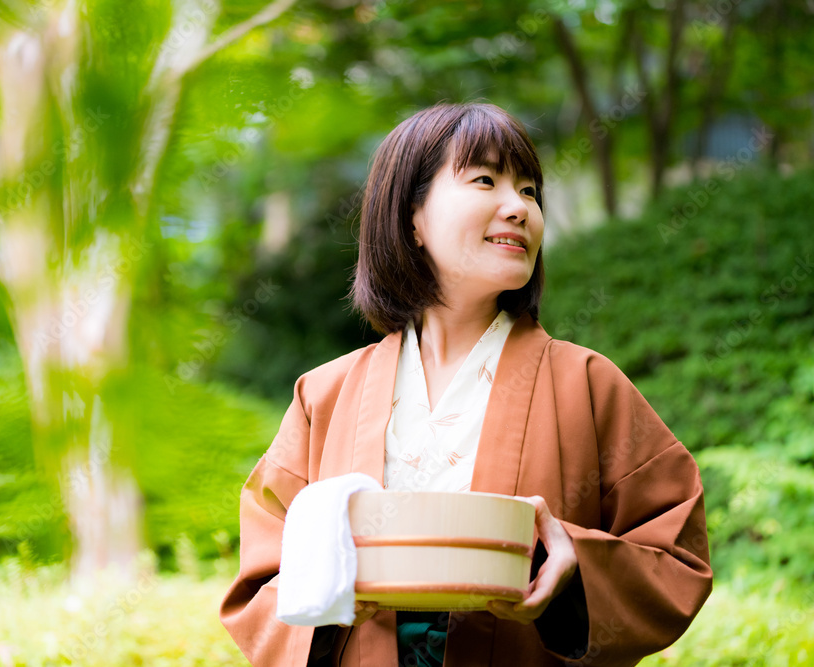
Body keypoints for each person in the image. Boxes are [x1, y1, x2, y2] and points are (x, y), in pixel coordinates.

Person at [219, 102, 712, 666]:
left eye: (530, 192)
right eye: (485, 180)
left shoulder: (587, 383)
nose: (519, 208)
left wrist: (573, 563)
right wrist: (325, 586)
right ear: (412, 218)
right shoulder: (324, 394)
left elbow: (676, 556)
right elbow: (262, 579)